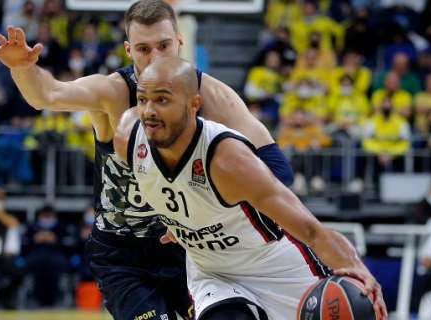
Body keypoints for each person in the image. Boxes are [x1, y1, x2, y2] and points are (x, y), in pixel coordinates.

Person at [0, 0, 294, 318]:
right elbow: (47, 95)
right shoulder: (112, 93)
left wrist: (221, 209)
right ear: (128, 50)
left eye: (163, 46)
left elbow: (276, 170)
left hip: (187, 249)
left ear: (179, 43)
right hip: (122, 252)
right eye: (144, 49)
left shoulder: (213, 97)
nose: (155, 58)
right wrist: (23, 68)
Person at [113, 56, 387, 320]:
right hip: (213, 273)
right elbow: (164, 184)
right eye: (142, 99)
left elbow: (311, 230)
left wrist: (358, 270)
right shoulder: (128, 138)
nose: (149, 111)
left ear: (193, 104)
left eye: (162, 100)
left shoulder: (228, 160)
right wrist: (187, 216)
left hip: (274, 266)